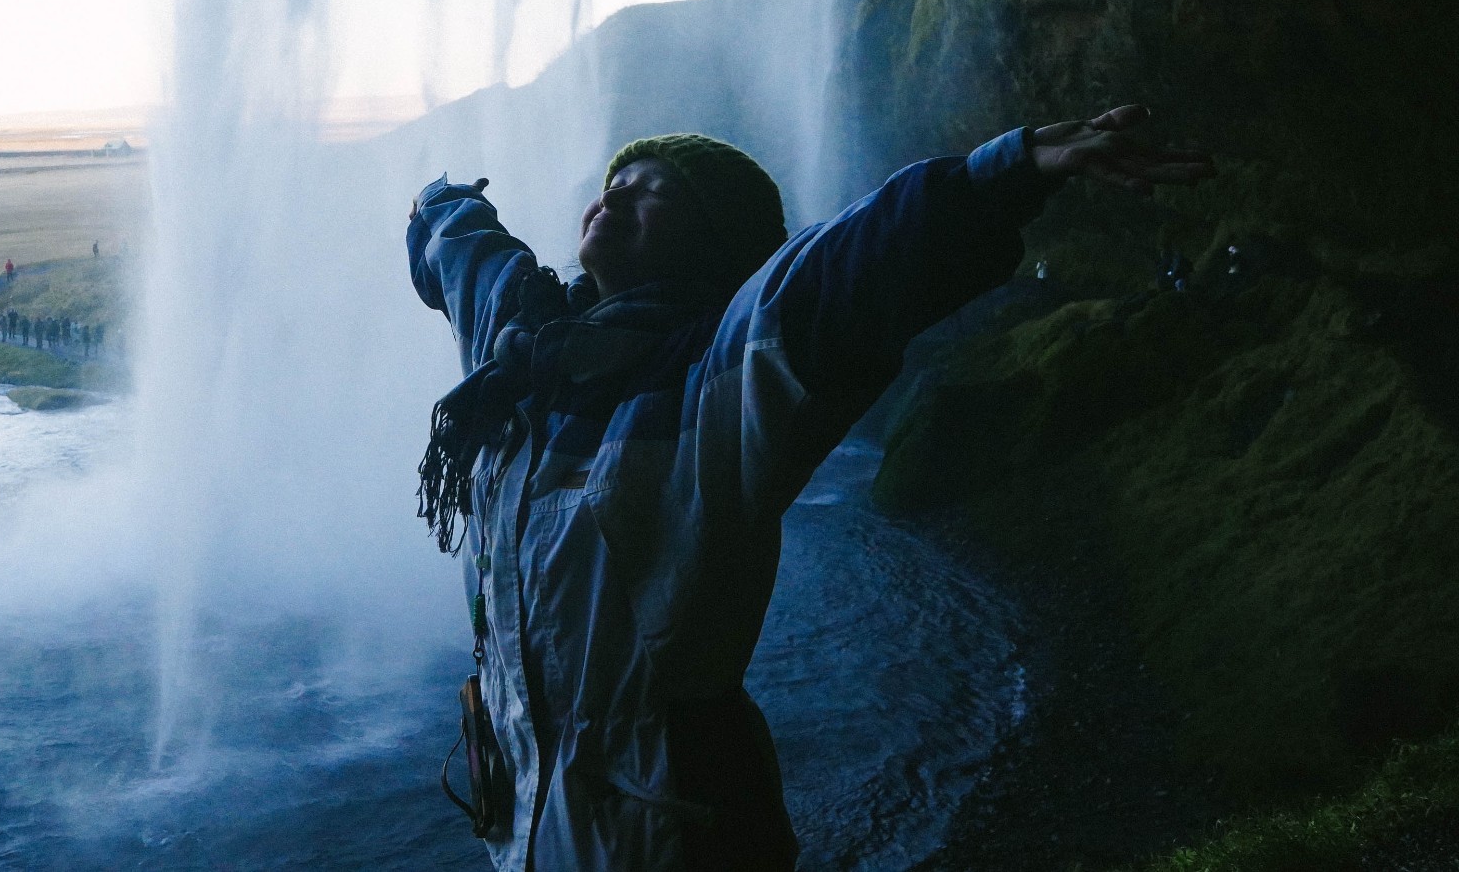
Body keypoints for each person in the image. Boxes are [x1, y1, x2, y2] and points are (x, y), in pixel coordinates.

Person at [405, 106, 1213, 872]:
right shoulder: (520, 356)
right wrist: (433, 203)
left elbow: (845, 273)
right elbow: (465, 249)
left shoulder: (716, 381)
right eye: (619, 179)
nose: (618, 191)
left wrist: (1005, 170)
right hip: (527, 842)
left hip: (673, 840)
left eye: (658, 190)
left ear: (716, 250)